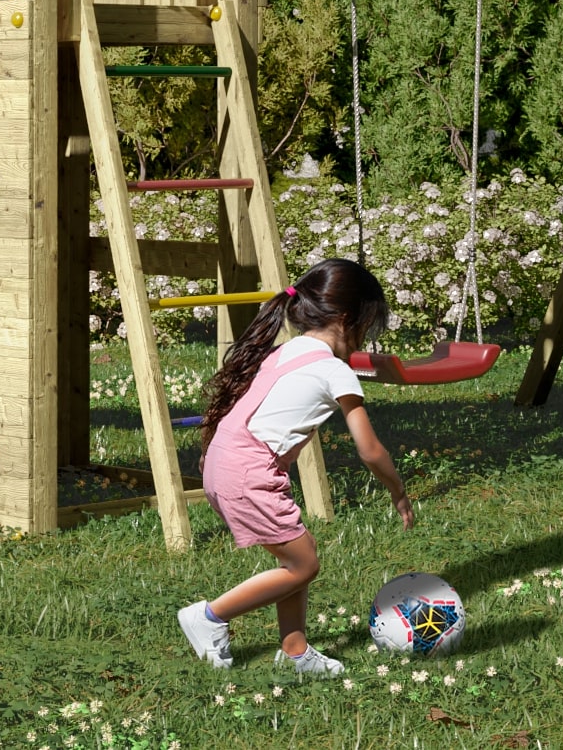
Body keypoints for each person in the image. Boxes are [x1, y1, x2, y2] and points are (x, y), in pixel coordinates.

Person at [177, 259, 413, 679]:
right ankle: (210, 616)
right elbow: (370, 450)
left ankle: (295, 651)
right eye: (366, 326)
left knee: (298, 554)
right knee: (304, 565)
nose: (365, 338)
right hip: (250, 470)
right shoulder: (333, 370)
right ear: (346, 319)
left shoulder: (288, 350)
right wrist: (398, 490)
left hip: (224, 461)